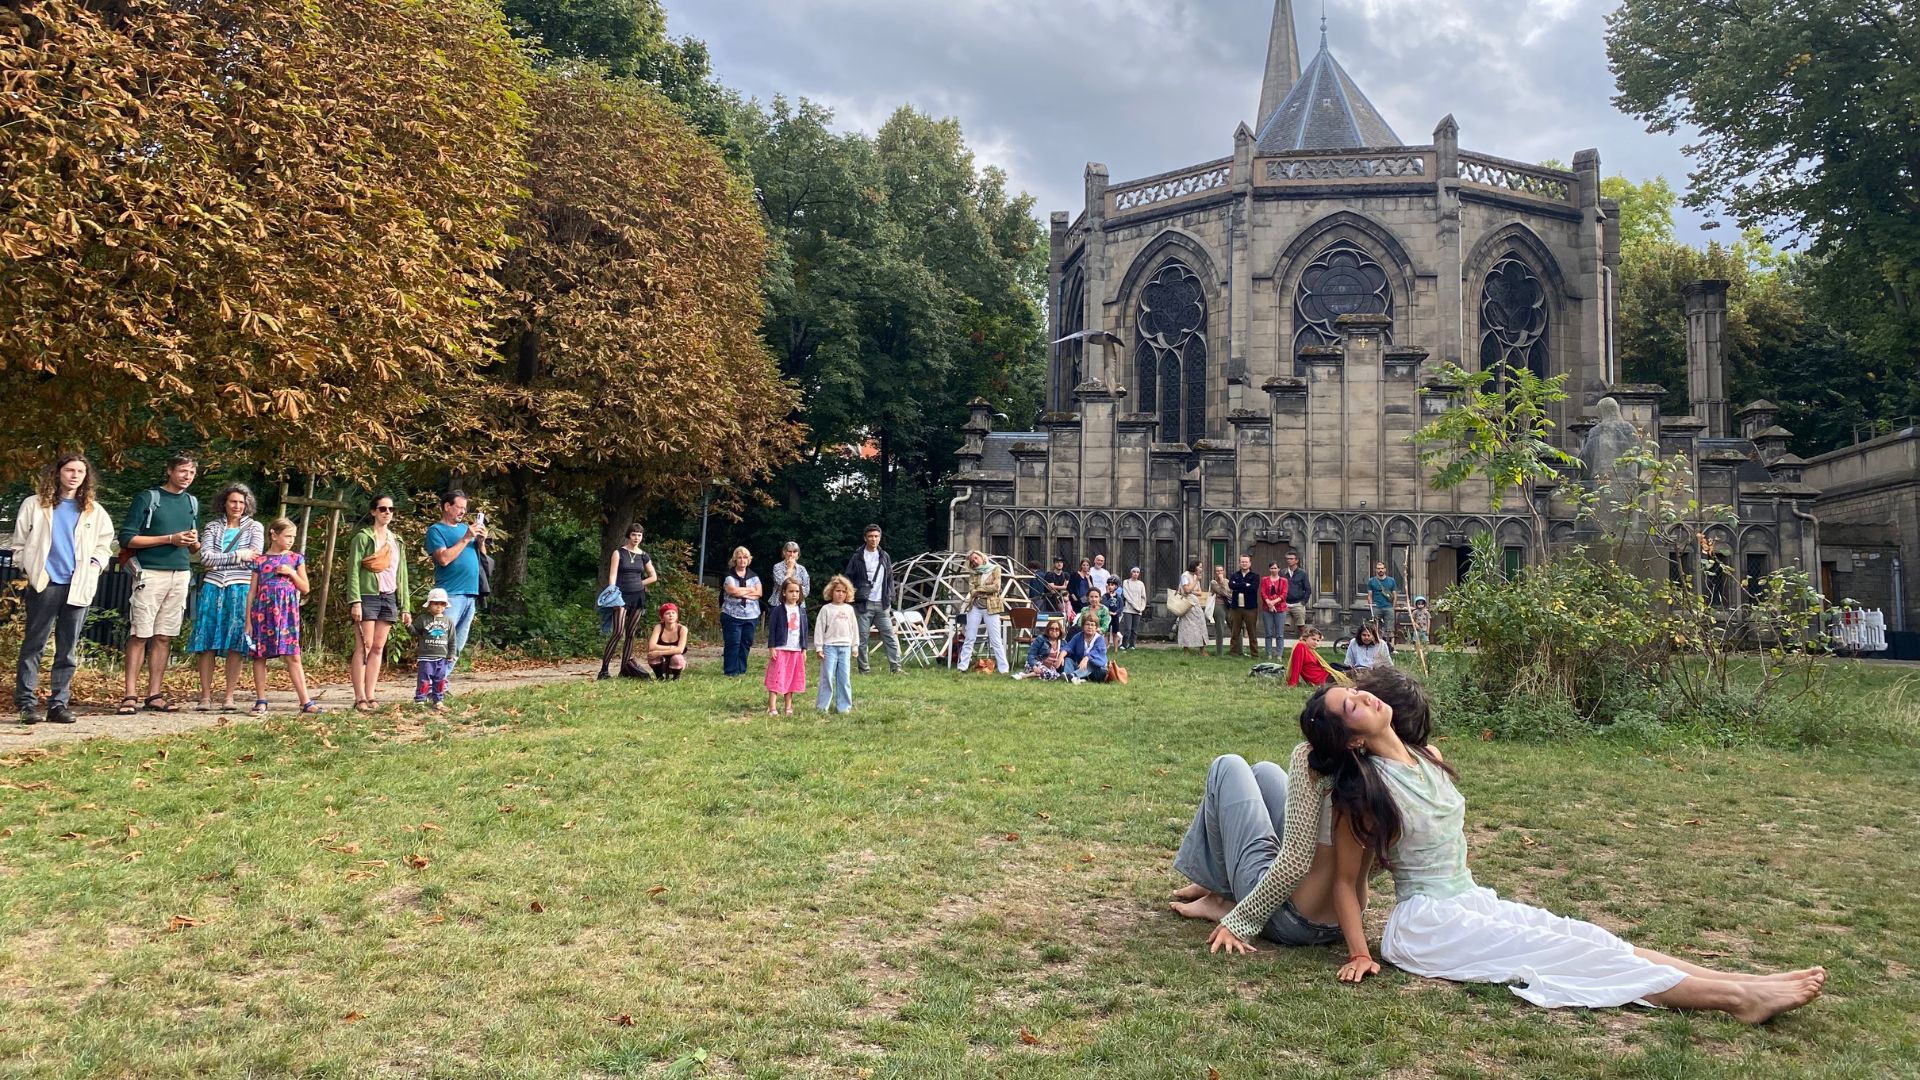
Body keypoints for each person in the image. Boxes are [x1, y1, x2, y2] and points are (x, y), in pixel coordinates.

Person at [1304, 684, 1825, 1021]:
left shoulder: (1429, 757)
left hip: (1472, 900)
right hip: (1427, 925)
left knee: (1587, 936)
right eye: (1350, 706)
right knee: (1569, 957)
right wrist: (1359, 952)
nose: (1364, 696)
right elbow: (1347, 884)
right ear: (1349, 740)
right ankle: (1736, 1001)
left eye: (1354, 690)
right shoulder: (1364, 792)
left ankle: (1741, 981)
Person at [1172, 667, 1435, 955]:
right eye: (1356, 694)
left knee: (1228, 766)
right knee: (1264, 772)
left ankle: (1220, 893)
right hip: (1346, 919)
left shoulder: (1309, 759)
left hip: (1291, 919)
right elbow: (1375, 861)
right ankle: (1214, 882)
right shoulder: (1406, 770)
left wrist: (1241, 921)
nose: (1367, 698)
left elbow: (1296, 861)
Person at [9, 454, 114, 725]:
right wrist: (32, 570)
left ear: (86, 477)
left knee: (67, 648)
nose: (75, 475)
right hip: (45, 583)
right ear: (58, 473)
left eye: (80, 471)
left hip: (78, 584)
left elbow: (105, 544)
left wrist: (95, 564)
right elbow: (18, 544)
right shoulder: (34, 504)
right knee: (35, 644)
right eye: (70, 470)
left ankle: (58, 704)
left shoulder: (94, 510)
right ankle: (26, 704)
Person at [117, 452, 200, 714]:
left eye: (192, 472)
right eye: (183, 471)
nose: (187, 477)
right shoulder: (149, 498)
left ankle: (154, 693)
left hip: (181, 573)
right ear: (170, 471)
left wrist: (192, 542)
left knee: (164, 636)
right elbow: (127, 539)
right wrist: (169, 539)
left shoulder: (192, 502)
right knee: (140, 633)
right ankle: (129, 694)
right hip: (150, 573)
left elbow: (194, 548)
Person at [191, 483, 264, 712]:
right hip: (213, 587)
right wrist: (237, 555)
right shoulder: (213, 526)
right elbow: (205, 558)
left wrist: (224, 557)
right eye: (233, 501)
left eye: (242, 503)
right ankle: (205, 696)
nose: (237, 506)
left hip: (241, 588)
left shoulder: (255, 527)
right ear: (224, 502)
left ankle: (229, 696)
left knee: (236, 642)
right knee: (206, 641)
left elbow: (253, 559)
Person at [247, 518, 319, 714]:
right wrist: (248, 621)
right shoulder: (259, 561)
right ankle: (261, 699)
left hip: (287, 614)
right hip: (262, 613)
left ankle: (305, 700)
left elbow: (305, 589)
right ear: (273, 534)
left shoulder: (296, 559)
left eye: (293, 537)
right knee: (260, 656)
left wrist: (291, 574)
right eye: (287, 536)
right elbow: (252, 592)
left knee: (293, 656)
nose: (291, 540)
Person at [346, 494, 410, 712]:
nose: (387, 513)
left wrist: (405, 606)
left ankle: (371, 693)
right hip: (367, 596)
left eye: (391, 509)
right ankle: (359, 696)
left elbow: (402, 575)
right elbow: (353, 570)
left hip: (389, 596)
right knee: (364, 645)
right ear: (373, 511)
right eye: (382, 509)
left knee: (378, 647)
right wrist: (355, 600)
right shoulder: (363, 538)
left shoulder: (397, 540)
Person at [424, 490, 487, 669]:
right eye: (459, 507)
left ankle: (441, 685)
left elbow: (483, 559)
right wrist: (466, 538)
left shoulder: (464, 529)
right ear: (447, 506)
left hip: (470, 593)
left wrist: (481, 542)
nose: (462, 512)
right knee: (441, 642)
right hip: (450, 595)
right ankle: (430, 685)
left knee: (457, 646)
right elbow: (443, 559)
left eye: (464, 509)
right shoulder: (436, 530)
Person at [599, 523, 657, 680]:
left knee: (631, 633)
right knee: (618, 632)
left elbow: (653, 576)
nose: (636, 538)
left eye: (639, 535)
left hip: (638, 597)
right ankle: (604, 670)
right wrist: (613, 593)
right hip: (620, 596)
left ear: (642, 537)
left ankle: (625, 669)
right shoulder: (619, 553)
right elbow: (612, 576)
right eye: (634, 534)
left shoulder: (644, 555)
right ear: (628, 535)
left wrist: (640, 584)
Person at [844, 525, 901, 674]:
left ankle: (896, 668)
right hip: (863, 604)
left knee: (890, 637)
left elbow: (889, 577)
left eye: (876, 536)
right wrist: (854, 595)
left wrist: (890, 596)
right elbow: (848, 578)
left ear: (880, 538)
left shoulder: (884, 556)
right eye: (870, 536)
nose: (873, 539)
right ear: (865, 538)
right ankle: (864, 669)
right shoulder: (857, 556)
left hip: (882, 603)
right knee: (862, 639)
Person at [953, 550, 1008, 675]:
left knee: (996, 639)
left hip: (991, 607)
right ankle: (962, 667)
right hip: (975, 607)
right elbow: (972, 591)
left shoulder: (995, 568)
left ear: (982, 558)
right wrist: (981, 590)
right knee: (969, 637)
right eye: (972, 561)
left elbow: (996, 587)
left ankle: (1004, 669)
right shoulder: (973, 573)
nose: (974, 562)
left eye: (976, 558)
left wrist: (980, 589)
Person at [813, 576, 858, 712]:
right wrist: (819, 647)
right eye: (837, 591)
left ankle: (844, 707)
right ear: (831, 592)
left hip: (845, 647)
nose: (840, 594)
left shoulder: (849, 610)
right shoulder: (826, 609)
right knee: (827, 677)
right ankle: (822, 707)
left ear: (847, 593)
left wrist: (855, 646)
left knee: (844, 679)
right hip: (829, 647)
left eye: (843, 592)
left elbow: (854, 629)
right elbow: (819, 629)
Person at [765, 577, 808, 714]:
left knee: (791, 678)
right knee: (776, 677)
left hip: (795, 649)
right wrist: (772, 647)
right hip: (781, 648)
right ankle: (772, 707)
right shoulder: (778, 610)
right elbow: (772, 629)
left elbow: (804, 631)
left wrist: (804, 648)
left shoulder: (801, 611)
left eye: (797, 591)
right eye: (790, 591)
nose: (794, 594)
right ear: (784, 592)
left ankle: (788, 706)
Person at [719, 546, 762, 677]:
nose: (742, 560)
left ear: (749, 560)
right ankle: (731, 671)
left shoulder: (754, 576)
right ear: (735, 559)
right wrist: (750, 590)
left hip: (751, 615)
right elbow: (732, 591)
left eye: (745, 557)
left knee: (746, 643)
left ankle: (741, 669)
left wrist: (742, 592)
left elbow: (759, 593)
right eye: (739, 557)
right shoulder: (729, 576)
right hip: (731, 615)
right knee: (733, 643)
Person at [414, 588, 455, 709]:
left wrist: (451, 654)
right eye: (436, 603)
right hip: (426, 657)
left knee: (440, 679)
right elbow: (415, 632)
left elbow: (452, 640)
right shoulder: (423, 619)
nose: (439, 607)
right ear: (429, 604)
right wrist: (408, 625)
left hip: (442, 657)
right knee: (424, 679)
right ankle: (420, 699)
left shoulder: (448, 621)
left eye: (442, 604)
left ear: (446, 606)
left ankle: (438, 699)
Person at [1063, 609, 1110, 683]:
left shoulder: (1100, 639)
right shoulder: (1078, 636)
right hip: (1081, 668)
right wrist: (1061, 655)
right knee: (1068, 660)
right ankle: (1067, 676)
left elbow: (1096, 652)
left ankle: (1073, 676)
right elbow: (1069, 646)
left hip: (1098, 671)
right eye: (1087, 624)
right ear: (1083, 626)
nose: (1090, 627)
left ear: (1096, 627)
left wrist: (1086, 658)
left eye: (1092, 625)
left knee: (1091, 662)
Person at [1227, 554, 1260, 658]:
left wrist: (1239, 586)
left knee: (1252, 632)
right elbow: (1231, 585)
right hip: (1236, 607)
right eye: (1242, 562)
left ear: (1250, 563)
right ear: (1239, 563)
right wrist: (1245, 585)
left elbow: (1253, 588)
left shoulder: (1255, 576)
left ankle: (1254, 654)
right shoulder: (1234, 575)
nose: (1244, 563)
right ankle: (1233, 653)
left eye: (1246, 562)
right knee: (1234, 631)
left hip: (1250, 608)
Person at [646, 603, 690, 680]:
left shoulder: (683, 629)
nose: (671, 615)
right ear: (662, 617)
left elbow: (680, 649)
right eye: (667, 613)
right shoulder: (659, 627)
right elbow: (651, 646)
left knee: (677, 658)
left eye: (673, 613)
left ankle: (676, 678)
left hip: (675, 657)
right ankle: (659, 678)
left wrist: (659, 652)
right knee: (652, 656)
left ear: (677, 616)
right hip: (661, 659)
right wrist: (671, 647)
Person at [1176, 560, 1209, 654]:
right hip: (1186, 604)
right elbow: (1186, 590)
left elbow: (1199, 592)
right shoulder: (1185, 575)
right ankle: (1186, 649)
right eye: (1200, 567)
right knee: (1186, 626)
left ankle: (1202, 649)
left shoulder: (1195, 577)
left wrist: (1192, 590)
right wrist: (1195, 581)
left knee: (1200, 624)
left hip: (1195, 603)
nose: (1201, 569)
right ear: (1194, 567)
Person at [1259, 561, 1288, 661]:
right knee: (1268, 633)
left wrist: (1273, 603)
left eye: (1275, 568)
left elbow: (1284, 594)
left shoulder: (1283, 580)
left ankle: (1279, 654)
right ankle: (1269, 654)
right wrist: (1269, 603)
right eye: (1271, 568)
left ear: (1279, 569)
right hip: (1267, 609)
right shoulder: (1264, 580)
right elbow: (1262, 593)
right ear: (1269, 569)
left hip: (1280, 609)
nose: (1273, 570)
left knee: (1279, 634)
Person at [770, 541, 810, 611]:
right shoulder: (777, 567)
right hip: (779, 605)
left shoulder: (802, 569)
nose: (791, 554)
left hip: (798, 606)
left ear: (798, 554)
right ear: (784, 552)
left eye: (794, 552)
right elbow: (782, 585)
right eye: (789, 551)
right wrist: (790, 569)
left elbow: (806, 591)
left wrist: (794, 594)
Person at [1365, 561, 1400, 641]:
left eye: (1382, 568)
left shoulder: (1391, 580)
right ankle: (1377, 644)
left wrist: (1393, 607)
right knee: (1375, 627)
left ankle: (1390, 647)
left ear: (1385, 569)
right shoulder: (1371, 581)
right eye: (1378, 568)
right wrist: (1371, 607)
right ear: (1376, 570)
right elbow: (1369, 595)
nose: (1380, 570)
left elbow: (1395, 595)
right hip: (1377, 607)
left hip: (1388, 608)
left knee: (1390, 629)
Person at [1282, 551, 1311, 642]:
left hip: (1298, 603)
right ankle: (1279, 648)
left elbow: (1308, 588)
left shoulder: (1302, 573)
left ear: (1296, 560)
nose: (1289, 561)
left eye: (1291, 559)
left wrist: (1303, 602)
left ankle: (1304, 644)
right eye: (1287, 559)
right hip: (1285, 603)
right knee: (1281, 625)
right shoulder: (1283, 573)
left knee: (1301, 626)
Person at [1120, 567, 1148, 651]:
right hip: (1128, 609)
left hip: (1138, 610)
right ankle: (1124, 645)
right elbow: (1126, 595)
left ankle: (1132, 645)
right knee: (1127, 629)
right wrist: (1135, 606)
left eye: (1137, 572)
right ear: (1131, 573)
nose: (1136, 573)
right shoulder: (1126, 582)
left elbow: (1143, 597)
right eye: (1134, 572)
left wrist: (1141, 608)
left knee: (1134, 629)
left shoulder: (1141, 584)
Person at [1209, 565, 1232, 657]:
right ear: (1215, 573)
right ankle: (1219, 653)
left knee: (1235, 626)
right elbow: (1222, 592)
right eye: (1217, 571)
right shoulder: (1213, 582)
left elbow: (1230, 594)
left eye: (1221, 571)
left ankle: (1238, 651)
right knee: (1220, 629)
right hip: (1218, 606)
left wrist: (1226, 592)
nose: (1219, 573)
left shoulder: (1228, 581)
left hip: (1228, 606)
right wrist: (1222, 582)